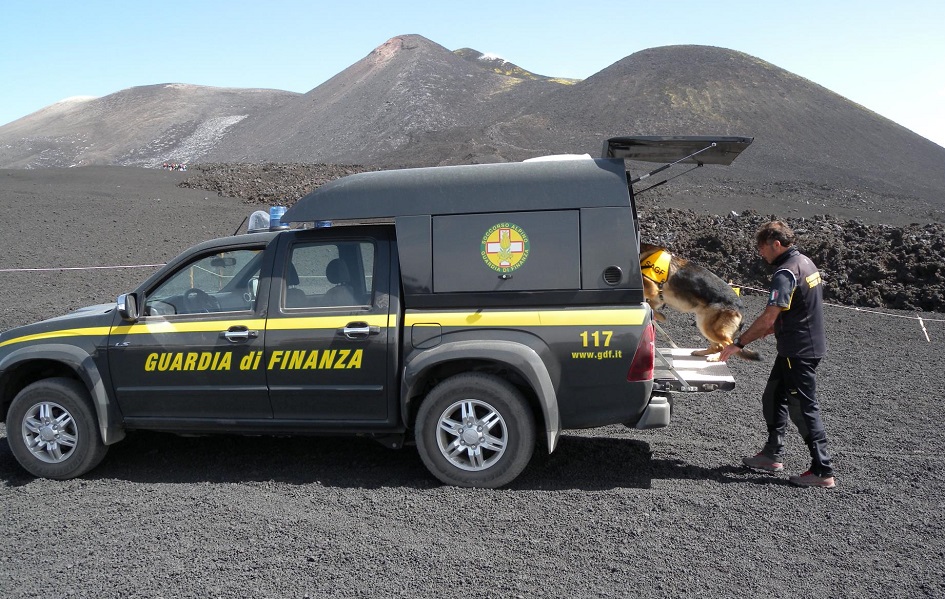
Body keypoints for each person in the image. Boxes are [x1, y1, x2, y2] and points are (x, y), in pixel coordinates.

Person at [719, 220, 835, 488]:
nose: (761, 254)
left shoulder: (786, 272)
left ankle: (823, 470)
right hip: (800, 347)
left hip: (799, 352)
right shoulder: (806, 263)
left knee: (804, 409)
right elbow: (797, 310)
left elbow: (770, 317)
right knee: (773, 396)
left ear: (776, 244)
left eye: (762, 248)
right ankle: (772, 454)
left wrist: (739, 342)